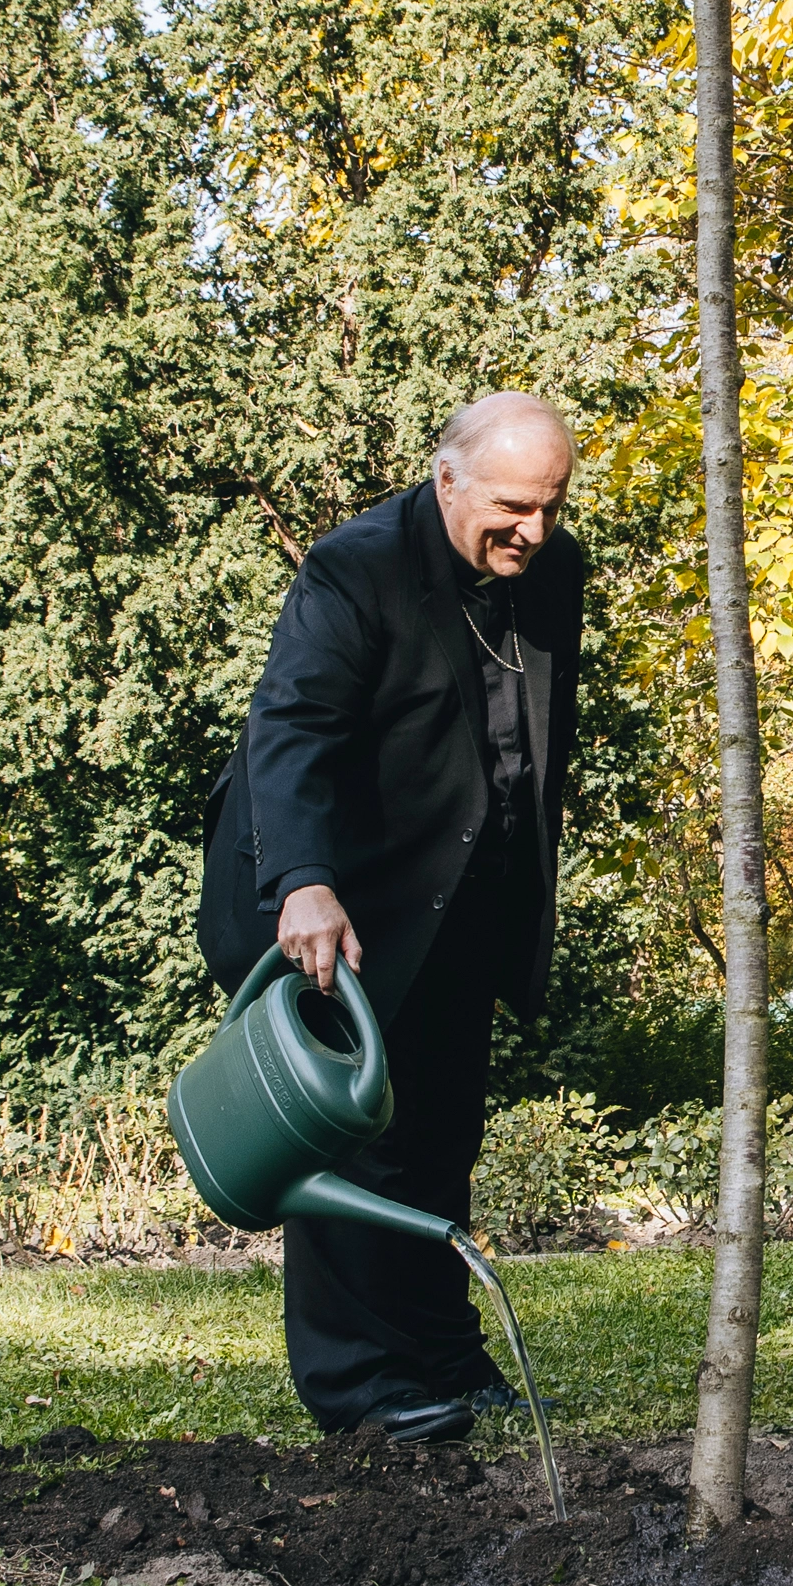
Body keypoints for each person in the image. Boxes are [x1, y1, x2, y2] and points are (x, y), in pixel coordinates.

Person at [198, 393, 585, 1442]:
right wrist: (304, 880)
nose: (534, 531)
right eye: (512, 506)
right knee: (352, 1140)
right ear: (446, 478)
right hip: (336, 895)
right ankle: (364, 1390)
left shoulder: (554, 571)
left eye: (550, 505)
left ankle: (442, 1356)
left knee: (439, 1134)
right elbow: (291, 726)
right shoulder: (355, 567)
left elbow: (523, 738)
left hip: (461, 897)